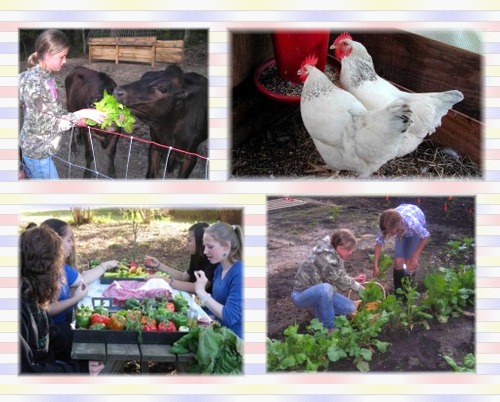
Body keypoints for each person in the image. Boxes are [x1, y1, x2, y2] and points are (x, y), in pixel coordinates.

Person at [19, 29, 107, 179]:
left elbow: (56, 112)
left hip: (42, 151)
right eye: (62, 57)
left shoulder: (47, 78)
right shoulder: (34, 83)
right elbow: (46, 124)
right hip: (38, 155)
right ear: (48, 55)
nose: (65, 61)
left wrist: (77, 121)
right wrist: (81, 113)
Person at [20, 224, 104, 374]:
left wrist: (84, 338)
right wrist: (80, 371)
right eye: (57, 270)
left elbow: (51, 334)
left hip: (49, 362)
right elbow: (27, 373)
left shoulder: (32, 294)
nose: (60, 277)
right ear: (45, 270)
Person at [38, 219, 117, 350]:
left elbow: (83, 279)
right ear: (55, 242)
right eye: (69, 240)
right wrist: (75, 298)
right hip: (53, 333)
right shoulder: (43, 272)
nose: (73, 244)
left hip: (63, 325)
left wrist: (104, 266)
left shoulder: (62, 267)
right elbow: (46, 309)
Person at [291, 229, 366, 332]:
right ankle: (329, 328)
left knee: (350, 308)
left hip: (319, 291)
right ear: (340, 248)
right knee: (326, 289)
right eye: (349, 250)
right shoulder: (325, 257)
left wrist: (353, 279)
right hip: (302, 295)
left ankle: (318, 310)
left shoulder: (334, 254)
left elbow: (338, 275)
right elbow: (340, 279)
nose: (350, 252)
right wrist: (362, 290)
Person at [193, 222, 243, 339]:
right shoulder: (219, 269)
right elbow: (217, 307)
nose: (205, 251)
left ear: (226, 246)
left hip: (235, 344)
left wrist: (202, 293)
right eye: (204, 246)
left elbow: (230, 316)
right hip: (219, 334)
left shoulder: (240, 273)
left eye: (210, 247)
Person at [145, 222, 218, 294]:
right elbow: (183, 277)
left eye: (189, 240)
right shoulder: (196, 255)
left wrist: (166, 281)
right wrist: (158, 265)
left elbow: (197, 287)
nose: (186, 244)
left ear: (200, 241)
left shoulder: (212, 260)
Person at [373, 204, 430, 293]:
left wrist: (415, 256)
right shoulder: (385, 223)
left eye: (391, 232)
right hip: (401, 230)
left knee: (409, 262)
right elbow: (378, 244)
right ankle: (398, 291)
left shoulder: (412, 223)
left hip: (414, 232)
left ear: (398, 225)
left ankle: (408, 292)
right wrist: (375, 265)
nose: (389, 234)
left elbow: (425, 236)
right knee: (398, 262)